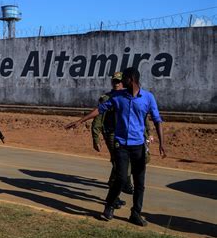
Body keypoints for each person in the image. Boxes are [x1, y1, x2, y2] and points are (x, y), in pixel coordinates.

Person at [65, 67, 166, 226]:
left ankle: (136, 213)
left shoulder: (148, 97)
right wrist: (80, 121)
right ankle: (109, 206)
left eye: (123, 78)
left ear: (131, 79)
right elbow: (99, 110)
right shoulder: (117, 97)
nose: (120, 82)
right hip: (121, 145)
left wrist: (162, 143)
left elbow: (157, 119)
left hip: (138, 146)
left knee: (139, 183)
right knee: (121, 178)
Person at [91, 72, 132, 210]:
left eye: (119, 81)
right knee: (118, 163)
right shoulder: (106, 98)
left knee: (123, 163)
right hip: (112, 134)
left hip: (126, 134)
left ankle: (116, 186)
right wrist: (95, 137)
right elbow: (98, 119)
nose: (116, 84)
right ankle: (113, 197)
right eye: (114, 81)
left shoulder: (128, 96)